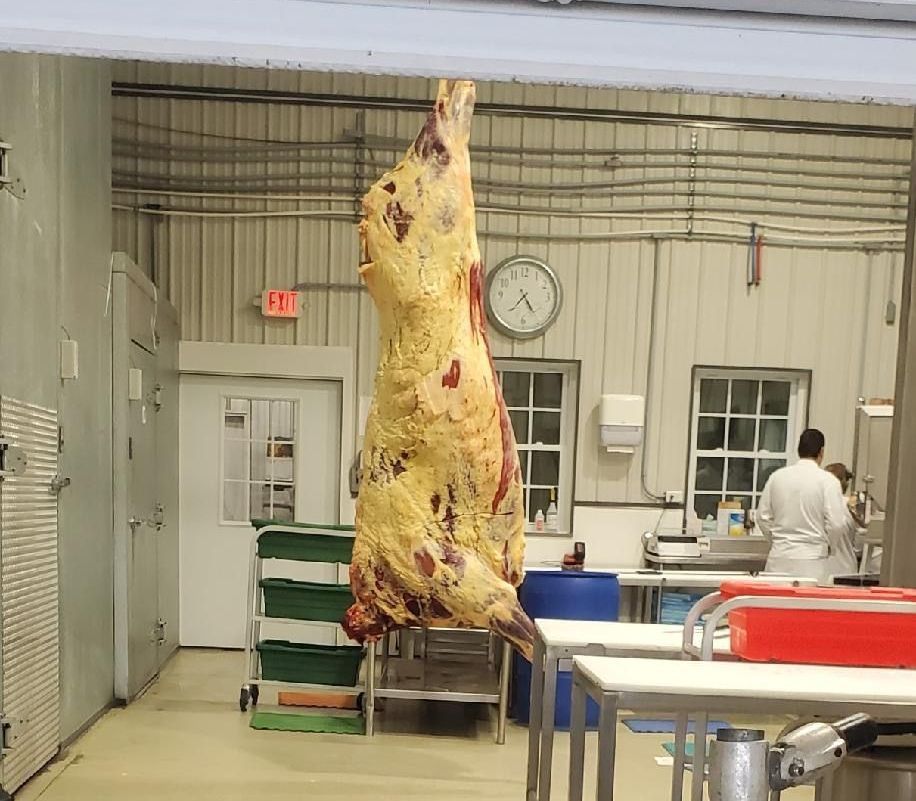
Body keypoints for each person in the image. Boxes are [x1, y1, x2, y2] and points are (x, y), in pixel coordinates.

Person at [757, 429, 859, 583]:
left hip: (779, 558)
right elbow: (837, 524)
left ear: (799, 449)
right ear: (821, 452)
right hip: (812, 560)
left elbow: (762, 517)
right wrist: (830, 546)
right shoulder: (828, 481)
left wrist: (777, 541)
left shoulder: (776, 477)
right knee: (807, 605)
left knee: (776, 604)